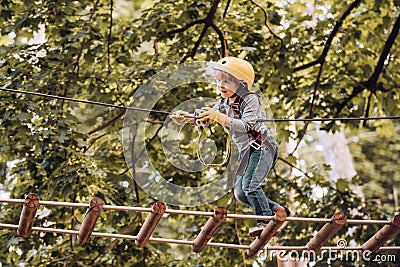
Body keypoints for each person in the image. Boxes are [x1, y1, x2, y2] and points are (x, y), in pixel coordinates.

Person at [171, 57, 290, 237]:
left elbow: (247, 125)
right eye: (219, 80)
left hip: (262, 146)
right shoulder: (223, 104)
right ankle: (279, 210)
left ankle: (265, 221)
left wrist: (219, 117)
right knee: (241, 193)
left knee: (250, 186)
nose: (221, 85)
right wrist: (187, 118)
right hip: (247, 151)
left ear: (241, 85)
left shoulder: (250, 99)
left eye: (227, 81)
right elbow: (206, 117)